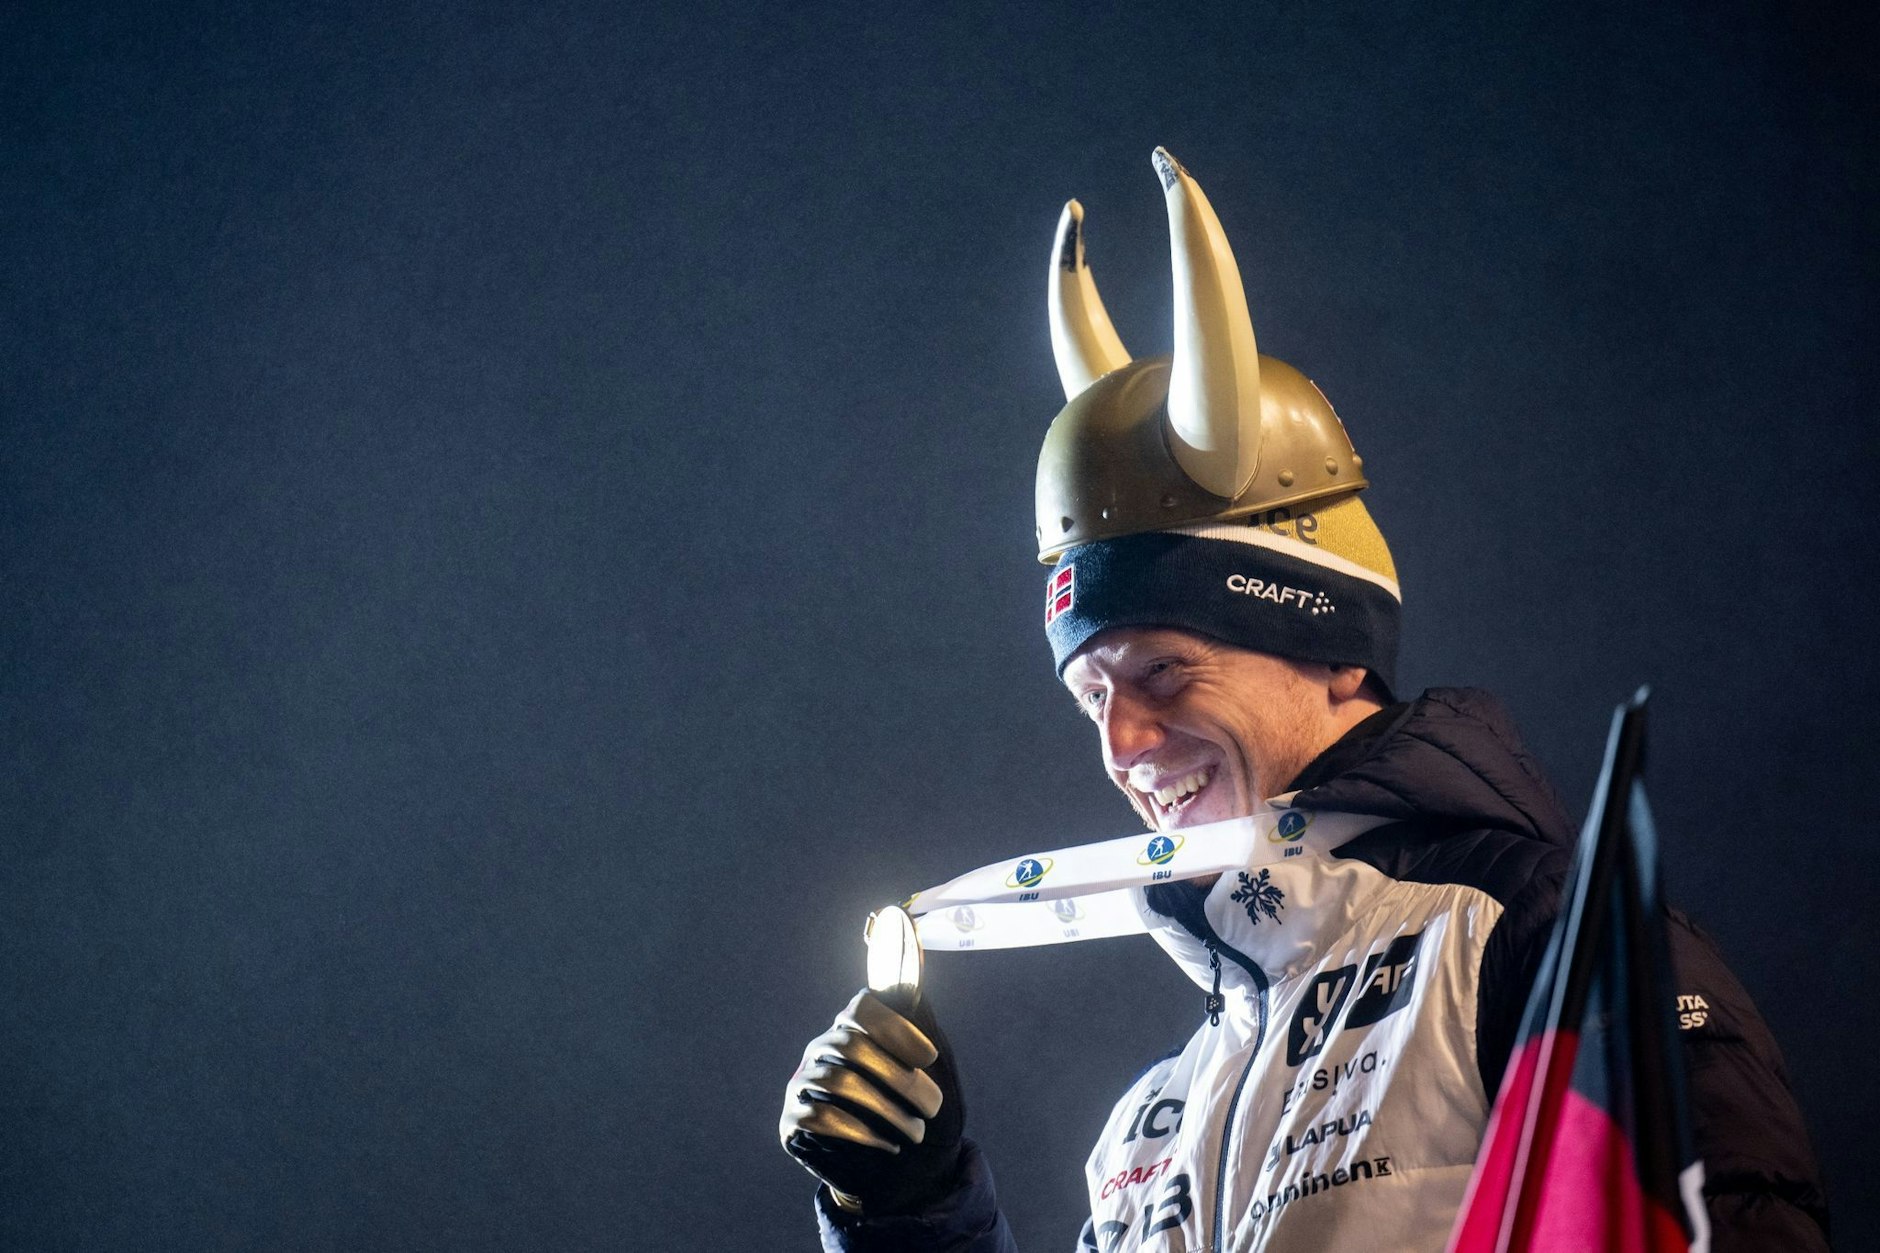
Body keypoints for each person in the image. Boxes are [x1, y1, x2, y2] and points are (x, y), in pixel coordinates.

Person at [779, 149, 1828, 1252]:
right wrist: (910, 1209)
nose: (1121, 742)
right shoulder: (1157, 1110)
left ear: (1331, 647)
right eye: (1090, 695)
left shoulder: (1542, 942)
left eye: (1163, 671)